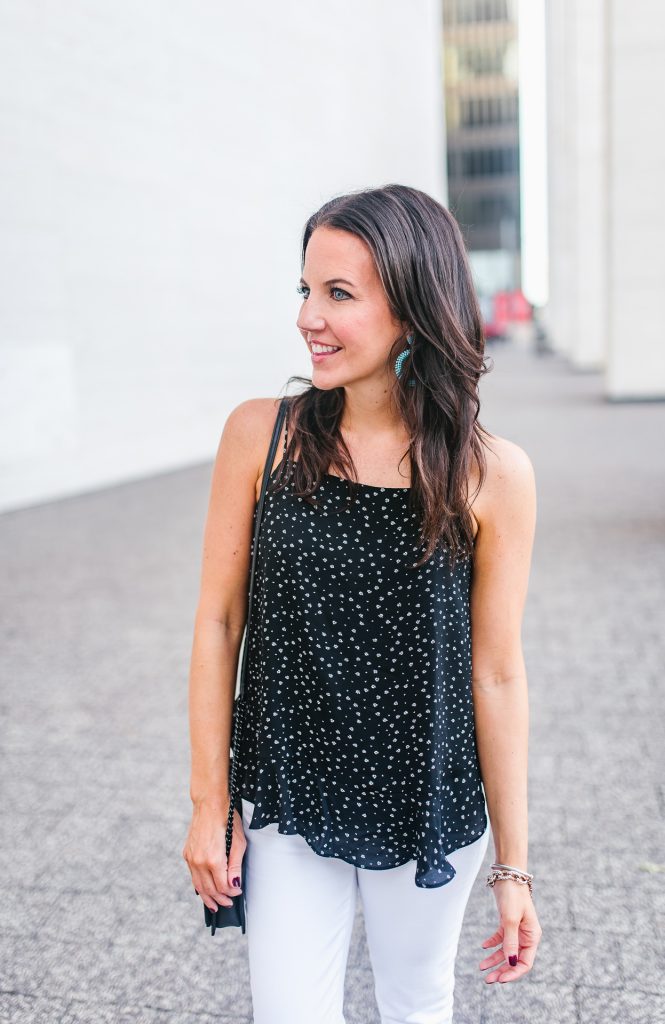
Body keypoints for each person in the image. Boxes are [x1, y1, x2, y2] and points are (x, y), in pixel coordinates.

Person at [183, 183, 542, 1024]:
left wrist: (515, 870)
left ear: (413, 310)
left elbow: (495, 674)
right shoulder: (259, 435)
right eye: (305, 290)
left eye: (339, 294)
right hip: (288, 788)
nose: (310, 316)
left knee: (416, 1005)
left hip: (429, 798)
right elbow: (217, 621)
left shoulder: (494, 474)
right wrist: (210, 805)